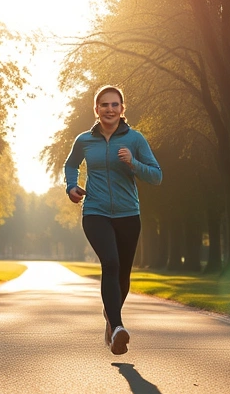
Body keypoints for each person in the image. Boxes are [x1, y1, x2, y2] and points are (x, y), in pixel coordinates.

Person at [64, 85, 162, 355]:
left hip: (128, 214)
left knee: (123, 274)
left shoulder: (135, 140)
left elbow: (156, 175)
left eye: (115, 105)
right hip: (95, 212)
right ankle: (118, 327)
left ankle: (110, 321)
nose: (109, 109)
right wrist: (71, 186)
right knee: (111, 262)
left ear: (122, 109)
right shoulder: (84, 140)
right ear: (96, 109)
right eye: (104, 105)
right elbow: (71, 164)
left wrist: (133, 163)